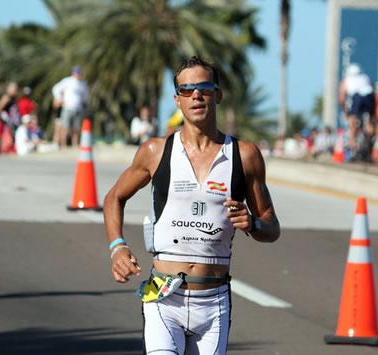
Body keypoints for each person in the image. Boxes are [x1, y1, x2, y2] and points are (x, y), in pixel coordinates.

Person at [103, 56, 280, 355]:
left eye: (203, 88)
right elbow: (114, 198)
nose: (196, 95)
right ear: (177, 100)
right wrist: (117, 246)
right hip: (164, 297)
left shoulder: (244, 155)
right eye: (187, 90)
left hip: (214, 303)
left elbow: (272, 226)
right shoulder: (155, 151)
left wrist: (253, 223)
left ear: (218, 95)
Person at [338, 63, 375, 160]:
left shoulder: (346, 80)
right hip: (370, 97)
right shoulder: (365, 77)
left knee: (352, 123)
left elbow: (341, 98)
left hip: (357, 98)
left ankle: (352, 145)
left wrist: (346, 111)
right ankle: (372, 145)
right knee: (370, 122)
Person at [52, 66, 89, 147]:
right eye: (76, 73)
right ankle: (63, 144)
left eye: (79, 73)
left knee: (76, 128)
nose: (77, 75)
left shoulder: (83, 83)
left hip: (78, 108)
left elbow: (85, 95)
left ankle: (75, 144)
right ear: (73, 73)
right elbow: (56, 88)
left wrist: (84, 103)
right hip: (67, 108)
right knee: (65, 127)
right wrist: (59, 99)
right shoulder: (67, 81)